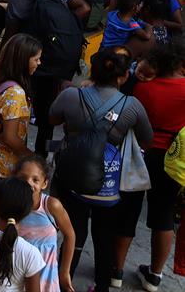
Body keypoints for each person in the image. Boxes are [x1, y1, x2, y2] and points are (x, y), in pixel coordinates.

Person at [49, 48, 153, 292]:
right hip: (107, 181)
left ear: (92, 72)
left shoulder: (71, 95)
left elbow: (52, 119)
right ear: (123, 77)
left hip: (71, 174)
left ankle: (63, 282)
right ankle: (102, 286)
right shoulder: (132, 105)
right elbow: (146, 139)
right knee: (104, 234)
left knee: (73, 230)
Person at [112, 40, 185, 290]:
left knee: (128, 211)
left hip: (140, 154)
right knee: (163, 216)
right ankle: (154, 276)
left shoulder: (144, 88)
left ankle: (116, 271)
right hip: (172, 160)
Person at [4, 0, 81, 156]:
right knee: (45, 121)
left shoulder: (18, 1)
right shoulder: (57, 0)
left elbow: (10, 38)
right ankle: (40, 158)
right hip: (50, 70)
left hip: (23, 69)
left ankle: (14, 155)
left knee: (16, 114)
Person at [14, 155, 77, 292]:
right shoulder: (11, 205)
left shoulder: (51, 205)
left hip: (46, 279)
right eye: (23, 178)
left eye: (35, 179)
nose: (29, 183)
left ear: (44, 183)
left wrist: (64, 271)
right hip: (18, 278)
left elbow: (70, 235)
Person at [0, 34, 42, 183]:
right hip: (3, 167)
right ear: (23, 60)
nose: (39, 63)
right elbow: (10, 137)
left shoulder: (4, 82)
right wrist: (32, 157)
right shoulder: (15, 93)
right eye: (36, 59)